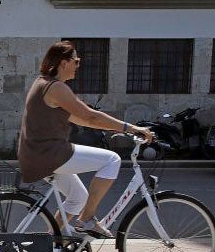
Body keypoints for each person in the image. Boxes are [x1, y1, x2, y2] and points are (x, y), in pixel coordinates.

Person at [18, 41, 153, 238]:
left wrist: (119, 128)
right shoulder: (56, 88)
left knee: (77, 197)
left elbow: (85, 120)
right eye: (77, 61)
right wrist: (131, 128)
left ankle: (50, 242)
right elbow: (90, 116)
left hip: (36, 155)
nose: (78, 66)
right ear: (64, 62)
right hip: (49, 155)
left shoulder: (42, 83)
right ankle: (86, 219)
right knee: (112, 160)